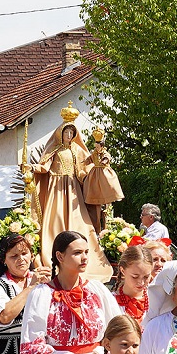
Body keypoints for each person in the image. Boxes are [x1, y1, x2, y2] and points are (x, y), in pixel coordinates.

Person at [32, 118, 111, 281]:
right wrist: (31, 168)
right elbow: (44, 167)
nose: (69, 135)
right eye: (66, 132)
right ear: (60, 134)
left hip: (74, 190)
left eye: (71, 133)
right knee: (56, 218)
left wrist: (92, 174)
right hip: (56, 188)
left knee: (79, 218)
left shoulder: (77, 150)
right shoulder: (53, 149)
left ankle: (80, 248)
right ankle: (56, 253)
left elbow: (83, 171)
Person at [114, 245, 154, 324]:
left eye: (146, 277)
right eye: (135, 277)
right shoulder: (111, 301)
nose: (141, 283)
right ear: (123, 271)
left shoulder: (156, 298)